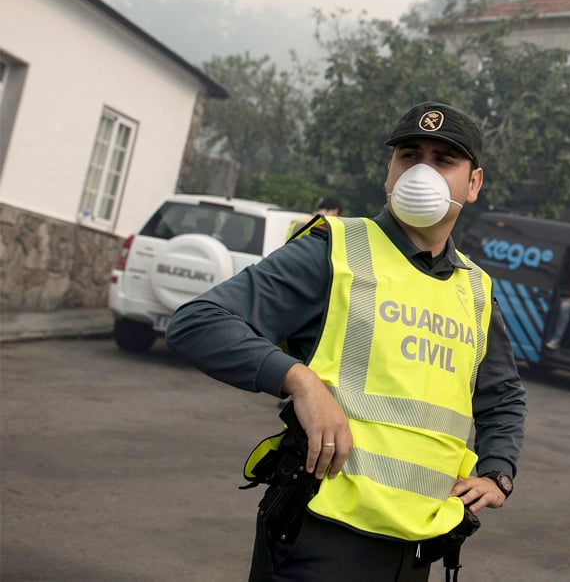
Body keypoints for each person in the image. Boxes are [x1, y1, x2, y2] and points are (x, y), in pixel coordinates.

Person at [167, 101, 527, 582]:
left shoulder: (476, 290)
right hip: (320, 539)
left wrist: (498, 471)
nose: (422, 171)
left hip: (418, 548)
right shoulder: (334, 250)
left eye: (443, 160)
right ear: (389, 171)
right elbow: (198, 321)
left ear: (473, 183)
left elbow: (502, 396)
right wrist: (300, 382)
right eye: (409, 155)